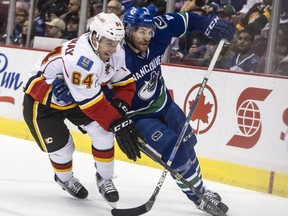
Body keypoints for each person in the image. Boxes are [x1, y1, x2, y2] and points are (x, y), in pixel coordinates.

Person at [53, 7, 235, 215]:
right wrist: (67, 84)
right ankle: (199, 197)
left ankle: (201, 188)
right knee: (175, 153)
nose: (148, 36)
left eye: (149, 31)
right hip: (136, 116)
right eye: (142, 32)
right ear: (128, 30)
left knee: (187, 144)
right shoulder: (114, 52)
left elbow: (186, 19)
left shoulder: (158, 29)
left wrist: (209, 24)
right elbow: (82, 66)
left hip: (164, 103)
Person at [22, 12, 141, 207]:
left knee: (103, 133)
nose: (114, 48)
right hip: (43, 101)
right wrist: (118, 123)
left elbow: (125, 83)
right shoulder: (81, 58)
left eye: (117, 42)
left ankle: (105, 178)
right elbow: (92, 105)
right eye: (109, 43)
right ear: (95, 37)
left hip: (77, 97)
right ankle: (65, 179)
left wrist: (120, 107)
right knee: (63, 149)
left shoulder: (116, 51)